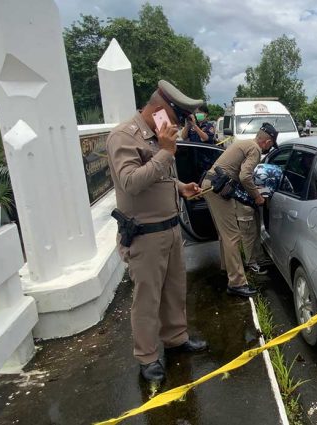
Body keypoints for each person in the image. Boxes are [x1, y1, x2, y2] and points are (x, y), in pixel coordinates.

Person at [106, 80, 209, 385]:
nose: (175, 128)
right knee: (147, 299)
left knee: (175, 290)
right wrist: (165, 152)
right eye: (174, 120)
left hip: (171, 227)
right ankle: (148, 357)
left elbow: (161, 177)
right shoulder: (124, 136)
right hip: (144, 234)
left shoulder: (159, 136)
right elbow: (130, 182)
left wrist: (181, 187)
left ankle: (176, 339)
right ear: (160, 110)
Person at [201, 123, 278, 297]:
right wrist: (257, 196)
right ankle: (237, 283)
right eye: (271, 144)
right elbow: (245, 175)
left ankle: (226, 267)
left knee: (224, 234)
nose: (269, 148)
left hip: (210, 185)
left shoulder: (243, 143)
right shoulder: (255, 149)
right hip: (218, 189)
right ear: (266, 141)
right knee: (233, 236)